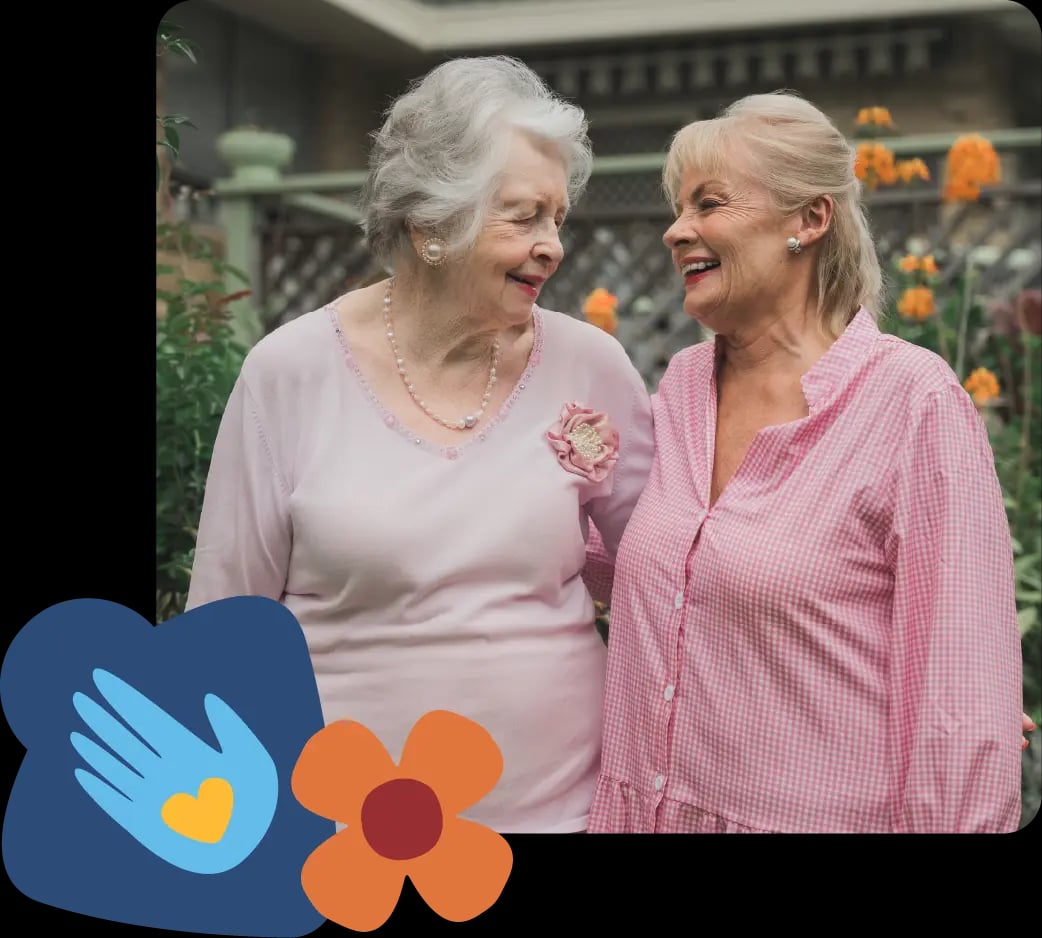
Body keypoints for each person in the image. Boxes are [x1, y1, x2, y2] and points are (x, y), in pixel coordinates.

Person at [185, 56, 654, 834]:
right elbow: (226, 621)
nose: (552, 246)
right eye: (523, 216)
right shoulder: (290, 372)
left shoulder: (590, 365)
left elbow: (666, 566)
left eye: (558, 219)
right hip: (338, 837)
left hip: (558, 813)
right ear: (432, 225)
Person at [586, 91, 1027, 833]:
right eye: (678, 207)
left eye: (708, 203)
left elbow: (959, 700)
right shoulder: (682, 386)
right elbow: (615, 563)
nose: (675, 230)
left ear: (809, 219)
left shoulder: (912, 401)